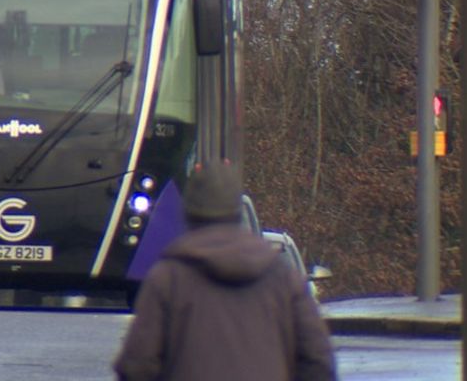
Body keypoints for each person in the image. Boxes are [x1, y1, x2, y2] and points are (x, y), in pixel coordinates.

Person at [113, 161, 337, 381]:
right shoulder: (281, 277)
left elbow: (138, 364)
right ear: (238, 211)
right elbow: (317, 362)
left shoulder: (168, 278)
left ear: (189, 211)